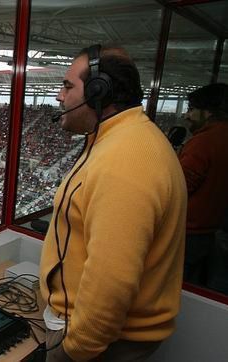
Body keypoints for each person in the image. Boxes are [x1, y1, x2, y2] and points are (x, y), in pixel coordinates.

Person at [40, 45, 187, 362]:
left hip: (97, 343)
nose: (58, 96)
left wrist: (77, 348)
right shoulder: (123, 140)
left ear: (98, 91)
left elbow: (113, 279)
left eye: (67, 86)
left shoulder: (127, 160)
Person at [178, 83, 228, 285]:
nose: (186, 116)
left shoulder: (203, 143)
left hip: (189, 233)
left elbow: (177, 188)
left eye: (191, 109)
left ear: (207, 112)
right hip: (212, 231)